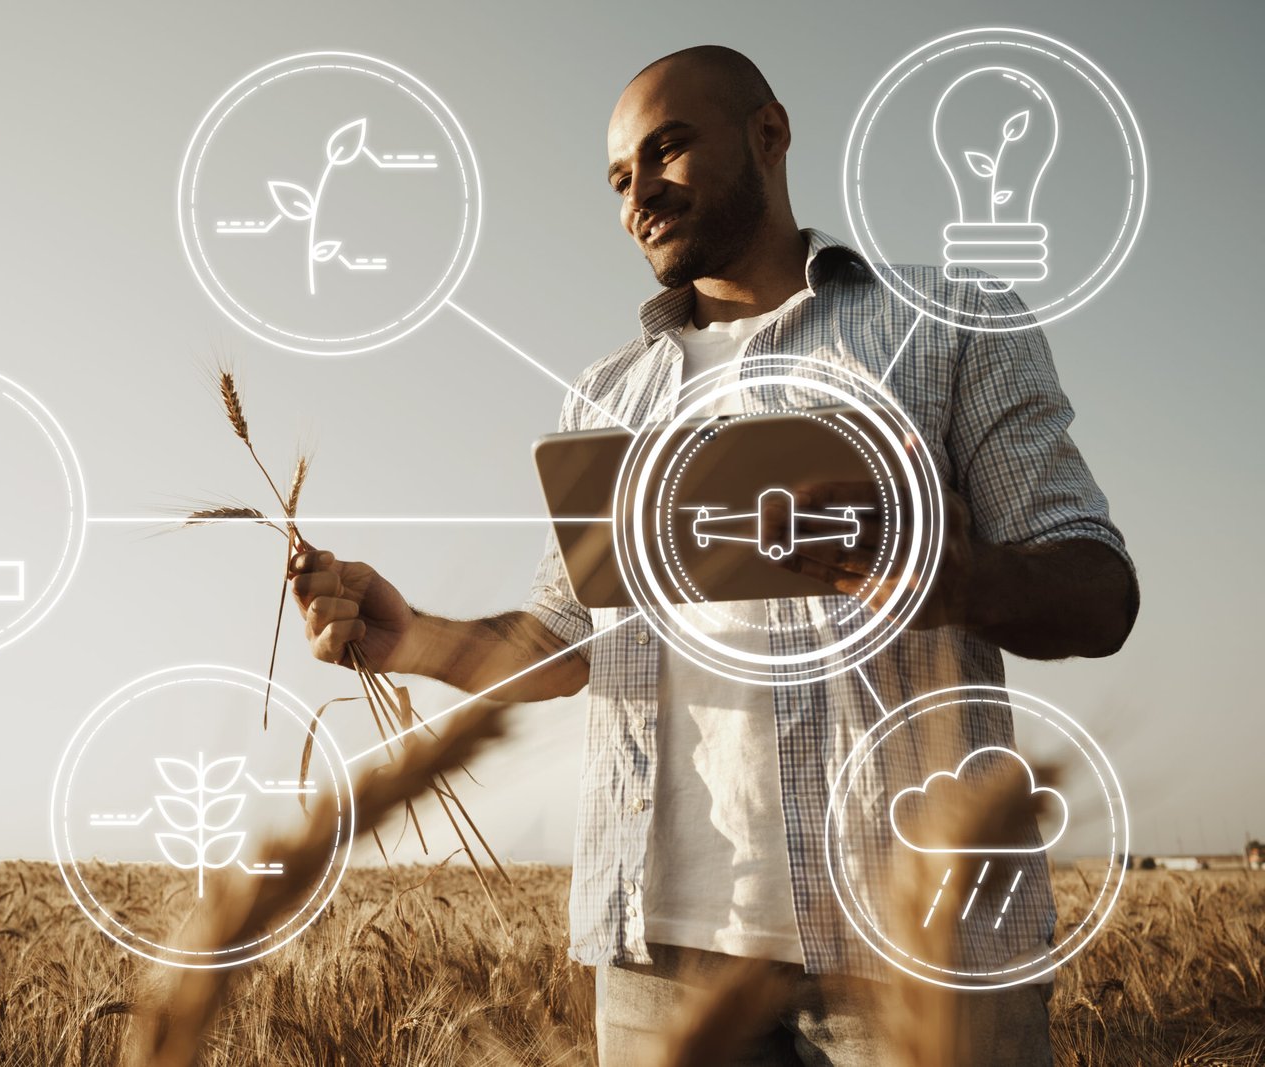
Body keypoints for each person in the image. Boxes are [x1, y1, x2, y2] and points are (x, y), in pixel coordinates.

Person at [289, 45, 1137, 1066]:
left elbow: (1099, 590)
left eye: (668, 149)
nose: (637, 194)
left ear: (768, 135)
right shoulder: (604, 397)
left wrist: (963, 577)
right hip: (659, 962)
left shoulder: (949, 329)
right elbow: (567, 638)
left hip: (918, 942)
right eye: (617, 178)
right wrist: (410, 636)